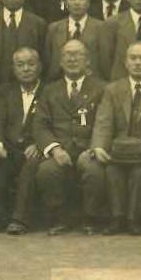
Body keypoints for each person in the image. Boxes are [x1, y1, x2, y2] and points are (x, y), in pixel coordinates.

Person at [31, 39, 107, 235]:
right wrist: (55, 149)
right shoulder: (49, 90)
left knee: (94, 171)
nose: (72, 59)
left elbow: (104, 123)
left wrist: (93, 148)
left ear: (88, 60)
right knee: (47, 170)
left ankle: (90, 218)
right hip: (61, 148)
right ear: (60, 61)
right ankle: (60, 217)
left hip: (88, 148)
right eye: (67, 55)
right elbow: (40, 124)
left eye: (77, 54)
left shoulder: (101, 88)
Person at [90, 42, 141, 235]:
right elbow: (104, 120)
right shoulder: (112, 89)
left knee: (139, 173)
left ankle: (134, 219)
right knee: (112, 170)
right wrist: (99, 146)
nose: (137, 63)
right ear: (126, 62)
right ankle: (117, 218)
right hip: (118, 150)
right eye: (133, 58)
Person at [0, 46, 43, 235]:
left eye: (31, 64)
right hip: (10, 149)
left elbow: (53, 123)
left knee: (32, 165)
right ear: (13, 69)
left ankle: (20, 219)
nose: (26, 69)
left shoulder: (49, 91)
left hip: (36, 150)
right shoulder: (4, 91)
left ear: (39, 66)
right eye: (20, 65)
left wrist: (40, 144)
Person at [44, 0, 102, 81]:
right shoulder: (54, 29)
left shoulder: (101, 28)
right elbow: (48, 60)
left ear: (88, 2)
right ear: (65, 2)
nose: (77, 2)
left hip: (92, 84)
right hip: (59, 83)